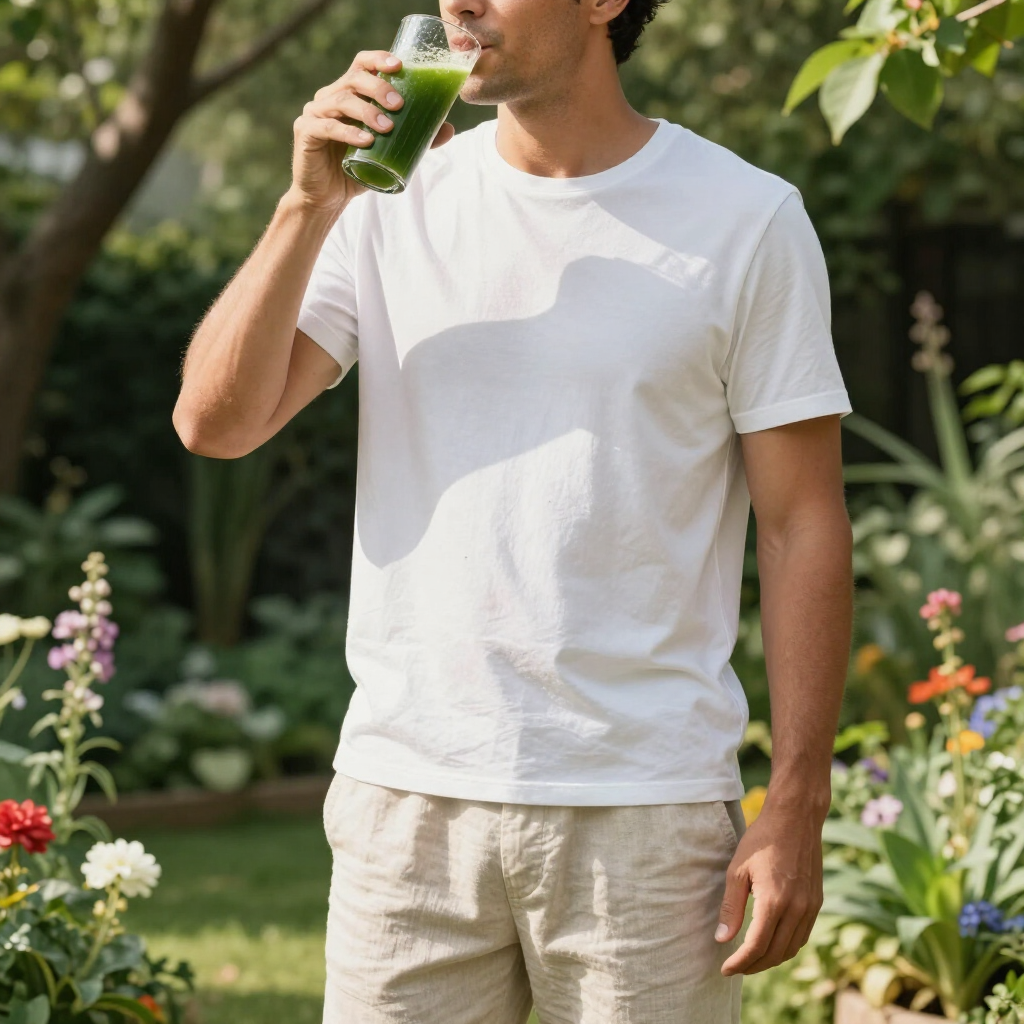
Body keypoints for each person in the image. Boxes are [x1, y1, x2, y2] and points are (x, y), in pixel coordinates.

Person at [172, 0, 855, 1020]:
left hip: (643, 809)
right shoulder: (389, 200)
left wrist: (796, 800)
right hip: (409, 800)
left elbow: (802, 523)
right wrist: (305, 205)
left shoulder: (745, 217)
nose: (457, 4)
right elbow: (215, 424)